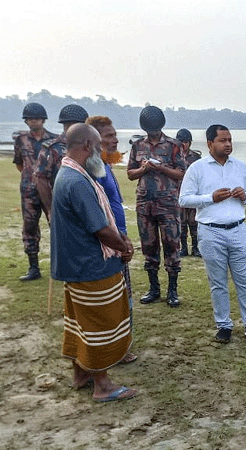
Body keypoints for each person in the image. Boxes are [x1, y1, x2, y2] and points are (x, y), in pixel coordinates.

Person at [50, 123, 137, 402]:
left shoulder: (70, 174)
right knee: (102, 324)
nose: (102, 151)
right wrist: (123, 246)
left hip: (77, 265)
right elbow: (99, 228)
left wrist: (120, 237)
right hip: (91, 265)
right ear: (87, 146)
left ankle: (81, 373)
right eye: (98, 145)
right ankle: (103, 385)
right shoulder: (76, 181)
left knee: (81, 323)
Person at [179, 125, 246, 345]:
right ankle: (224, 325)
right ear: (209, 144)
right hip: (210, 232)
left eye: (230, 140)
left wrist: (245, 196)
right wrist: (210, 198)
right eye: (222, 140)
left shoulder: (241, 167)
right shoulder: (197, 168)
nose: (227, 144)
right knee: (218, 282)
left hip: (238, 230)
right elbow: (184, 199)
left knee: (245, 281)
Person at [86, 115, 138, 365]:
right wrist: (118, 240)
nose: (115, 139)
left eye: (115, 134)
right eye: (108, 136)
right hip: (106, 243)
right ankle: (114, 350)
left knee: (121, 295)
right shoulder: (92, 169)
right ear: (93, 140)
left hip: (117, 239)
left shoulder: (104, 165)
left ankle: (121, 345)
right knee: (112, 299)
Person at [127, 106, 186, 308]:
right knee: (148, 247)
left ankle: (172, 290)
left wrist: (160, 167)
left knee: (172, 246)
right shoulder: (137, 146)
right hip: (145, 204)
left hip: (168, 204)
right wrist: (143, 168)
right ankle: (154, 288)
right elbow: (130, 174)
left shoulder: (173, 145)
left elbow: (181, 174)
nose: (152, 131)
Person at [13, 102, 57, 281]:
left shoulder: (54, 140)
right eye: (30, 118)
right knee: (30, 227)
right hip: (28, 191)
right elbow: (19, 163)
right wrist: (31, 178)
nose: (33, 121)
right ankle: (34, 267)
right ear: (26, 121)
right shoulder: (20, 139)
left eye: (37, 118)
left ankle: (59, 265)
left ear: (43, 119)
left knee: (55, 225)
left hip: (49, 190)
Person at [34, 104, 88, 217]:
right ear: (66, 125)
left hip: (86, 204)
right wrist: (50, 209)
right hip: (62, 206)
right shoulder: (53, 148)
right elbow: (41, 180)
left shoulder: (89, 146)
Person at [176, 128, 202, 258]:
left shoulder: (195, 157)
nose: (184, 145)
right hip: (179, 194)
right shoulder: (173, 157)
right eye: (181, 142)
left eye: (186, 142)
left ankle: (196, 248)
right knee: (181, 223)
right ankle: (183, 248)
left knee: (194, 222)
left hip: (192, 194)